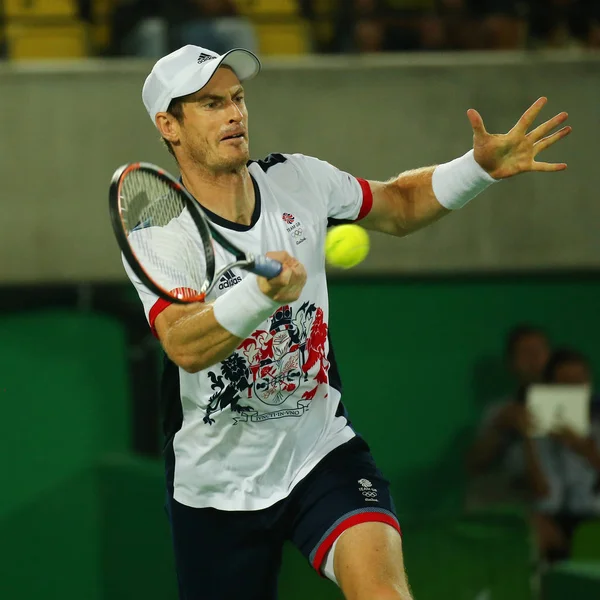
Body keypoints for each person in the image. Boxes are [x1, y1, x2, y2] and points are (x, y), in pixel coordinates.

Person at [126, 43, 571, 599]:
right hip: (217, 488)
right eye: (211, 104)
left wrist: (475, 168)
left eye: (238, 98)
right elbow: (185, 345)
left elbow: (400, 204)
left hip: (321, 453)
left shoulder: (299, 180)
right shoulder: (161, 231)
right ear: (169, 125)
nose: (235, 113)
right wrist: (261, 297)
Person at [468, 346, 600, 561]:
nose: (574, 389)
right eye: (565, 382)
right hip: (551, 521)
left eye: (580, 381)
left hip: (593, 517)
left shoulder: (597, 424)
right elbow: (543, 492)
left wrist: (583, 448)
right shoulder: (532, 428)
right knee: (533, 528)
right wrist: (527, 437)